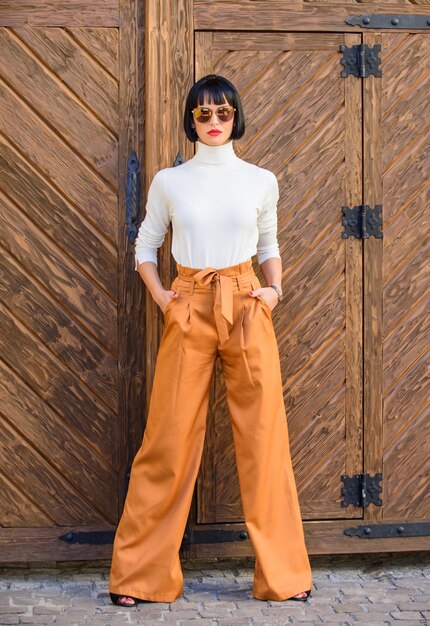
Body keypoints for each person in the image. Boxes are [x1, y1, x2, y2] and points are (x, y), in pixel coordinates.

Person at [109, 74, 312, 606]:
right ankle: (139, 577)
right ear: (191, 120)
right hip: (190, 304)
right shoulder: (169, 182)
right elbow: (146, 246)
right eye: (204, 114)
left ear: (236, 116)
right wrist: (164, 299)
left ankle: (284, 577)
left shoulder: (261, 179)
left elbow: (269, 242)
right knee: (168, 441)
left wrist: (274, 290)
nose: (215, 122)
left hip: (246, 302)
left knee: (264, 439)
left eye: (223, 112)